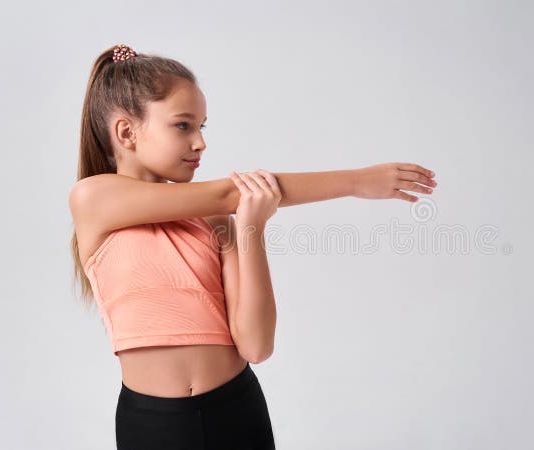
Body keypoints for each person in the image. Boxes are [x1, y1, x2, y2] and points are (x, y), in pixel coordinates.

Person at [69, 43, 438, 449]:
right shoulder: (93, 199)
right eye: (183, 125)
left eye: (202, 127)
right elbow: (232, 192)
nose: (200, 143)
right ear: (126, 131)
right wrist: (355, 181)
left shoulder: (216, 220)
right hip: (152, 427)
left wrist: (252, 229)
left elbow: (257, 346)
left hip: (237, 412)